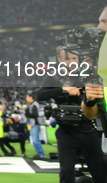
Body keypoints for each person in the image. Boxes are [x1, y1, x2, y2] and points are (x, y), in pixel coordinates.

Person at [37, 47, 106, 183]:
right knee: (66, 172)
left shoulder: (87, 74)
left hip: (89, 129)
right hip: (66, 132)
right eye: (67, 58)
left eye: (74, 58)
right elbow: (40, 95)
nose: (72, 62)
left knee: (99, 172)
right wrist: (62, 89)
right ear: (60, 60)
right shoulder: (54, 76)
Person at [25, 94, 46, 159]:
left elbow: (35, 115)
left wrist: (26, 114)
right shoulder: (32, 104)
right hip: (33, 124)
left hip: (35, 124)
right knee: (34, 140)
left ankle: (41, 154)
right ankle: (39, 153)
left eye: (27, 97)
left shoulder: (34, 105)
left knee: (35, 139)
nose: (26, 98)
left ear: (31, 97)